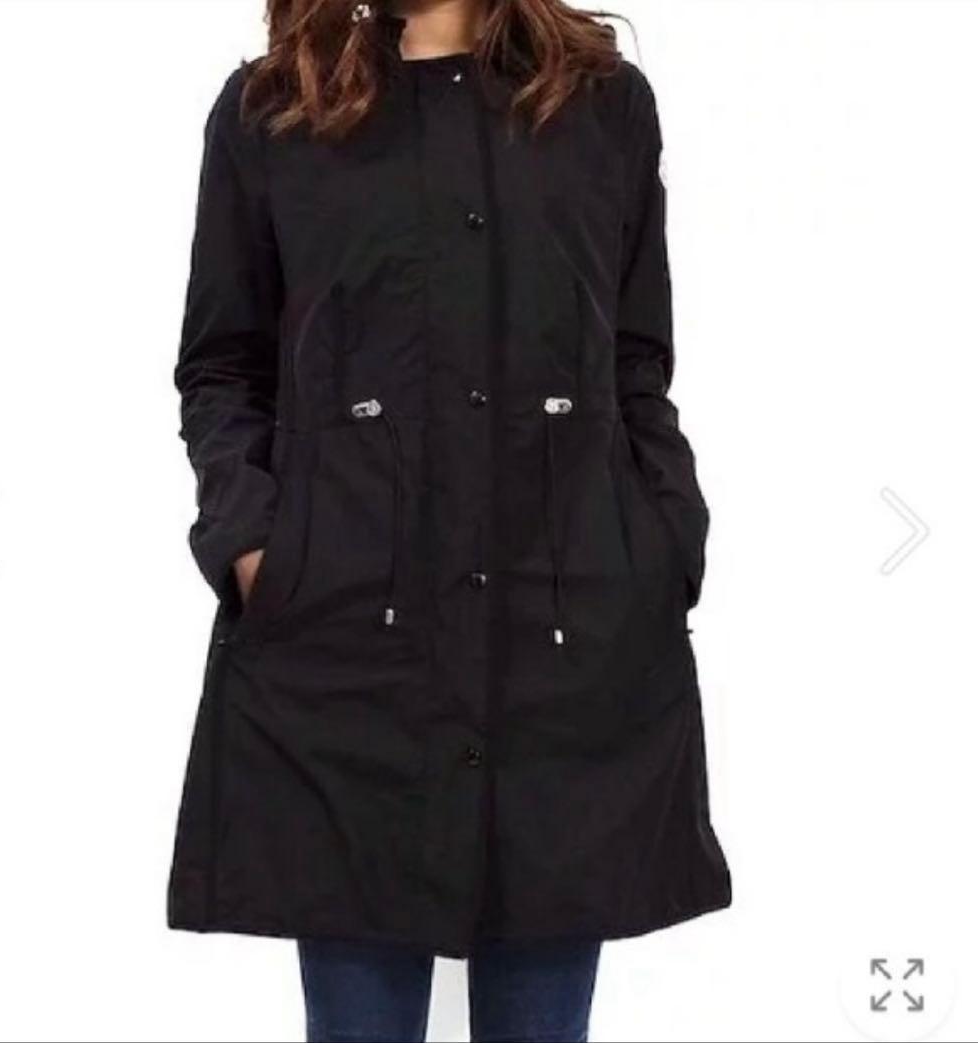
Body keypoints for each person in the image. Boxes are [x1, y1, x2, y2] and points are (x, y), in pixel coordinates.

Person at [168, 0, 732, 1038]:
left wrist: (665, 541)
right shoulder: (275, 109)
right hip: (343, 652)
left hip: (565, 651)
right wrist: (253, 544)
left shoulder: (599, 103)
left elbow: (636, 359)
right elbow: (223, 367)